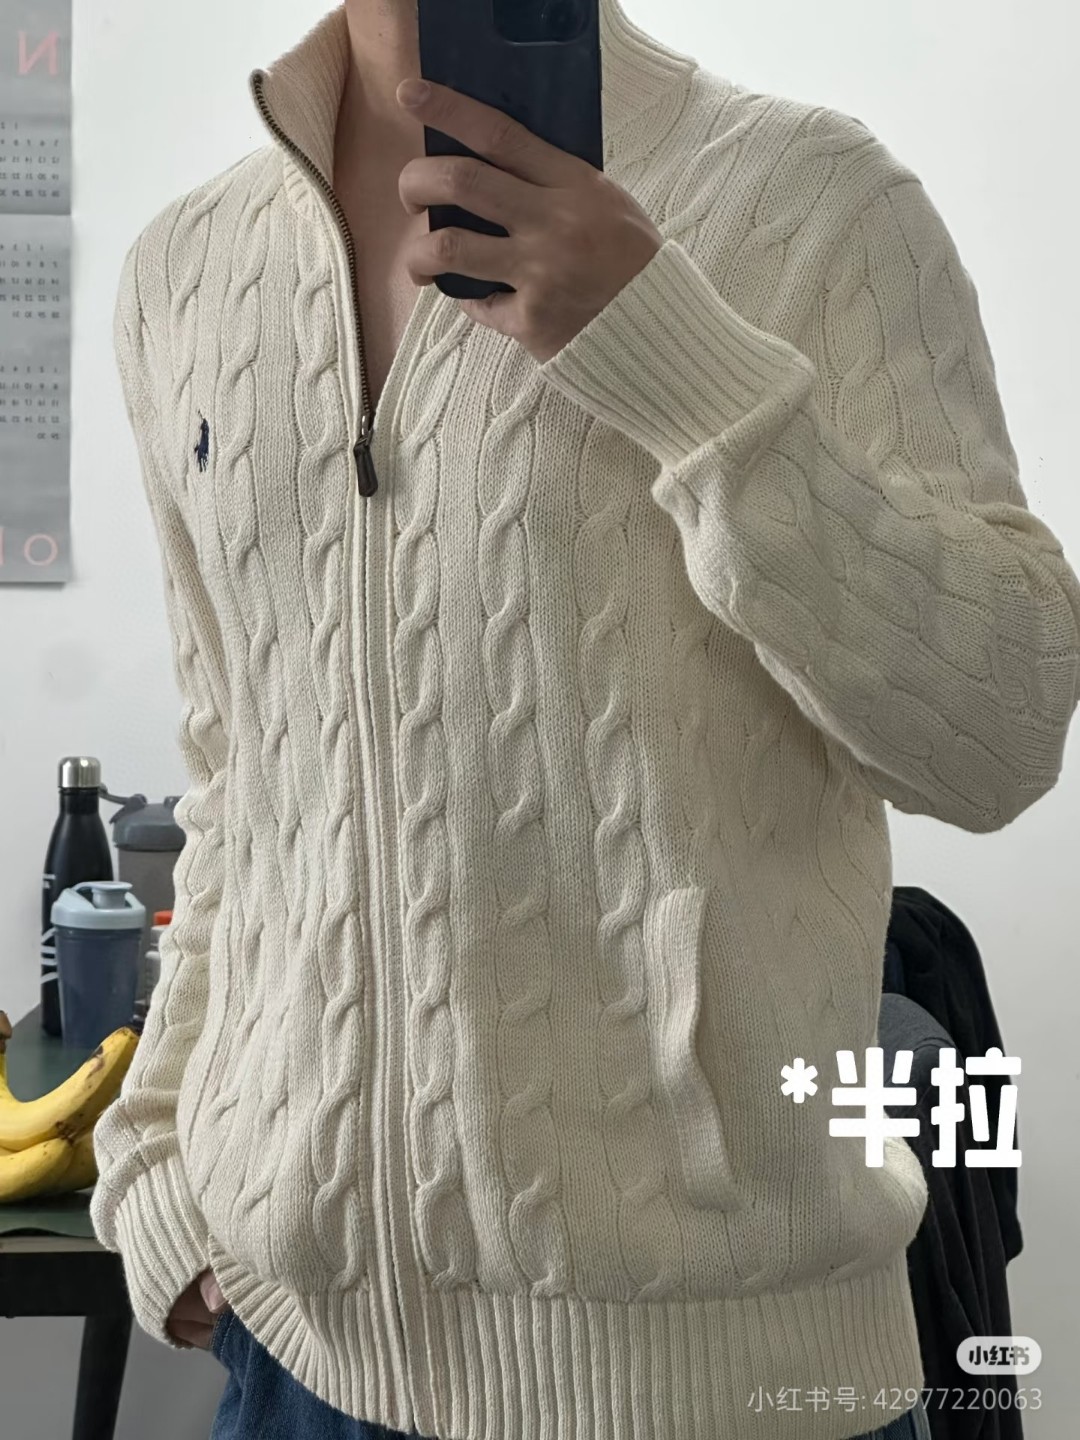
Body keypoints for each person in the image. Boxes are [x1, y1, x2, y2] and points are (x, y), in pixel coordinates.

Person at [90, 0, 1080, 1437]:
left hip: (723, 1384)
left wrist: (672, 353)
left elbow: (998, 734)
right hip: (297, 1361)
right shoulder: (183, 271)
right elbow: (238, 776)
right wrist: (159, 1154)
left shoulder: (815, 202)